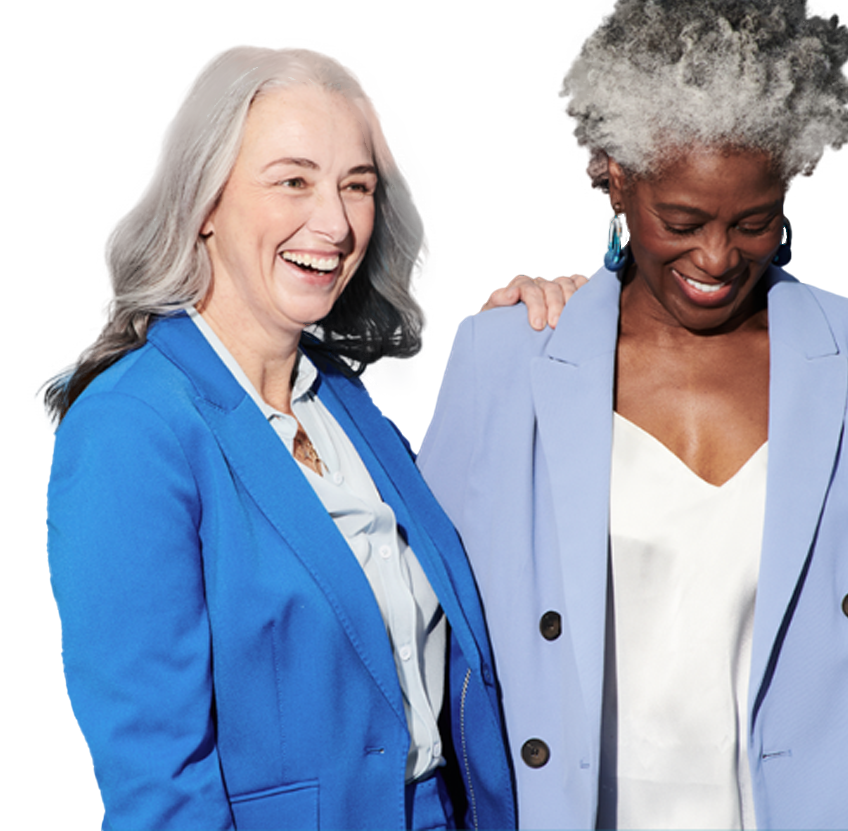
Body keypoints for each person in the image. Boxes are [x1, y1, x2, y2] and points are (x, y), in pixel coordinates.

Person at [417, 0, 848, 830]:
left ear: (793, 178)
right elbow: (433, 640)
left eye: (753, 221)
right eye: (681, 222)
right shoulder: (506, 361)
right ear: (612, 176)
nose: (718, 258)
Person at [36, 41, 575, 830]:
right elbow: (156, 784)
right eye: (292, 181)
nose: (334, 223)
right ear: (206, 203)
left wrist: (518, 349)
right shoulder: (132, 429)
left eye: (356, 187)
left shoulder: (350, 408)